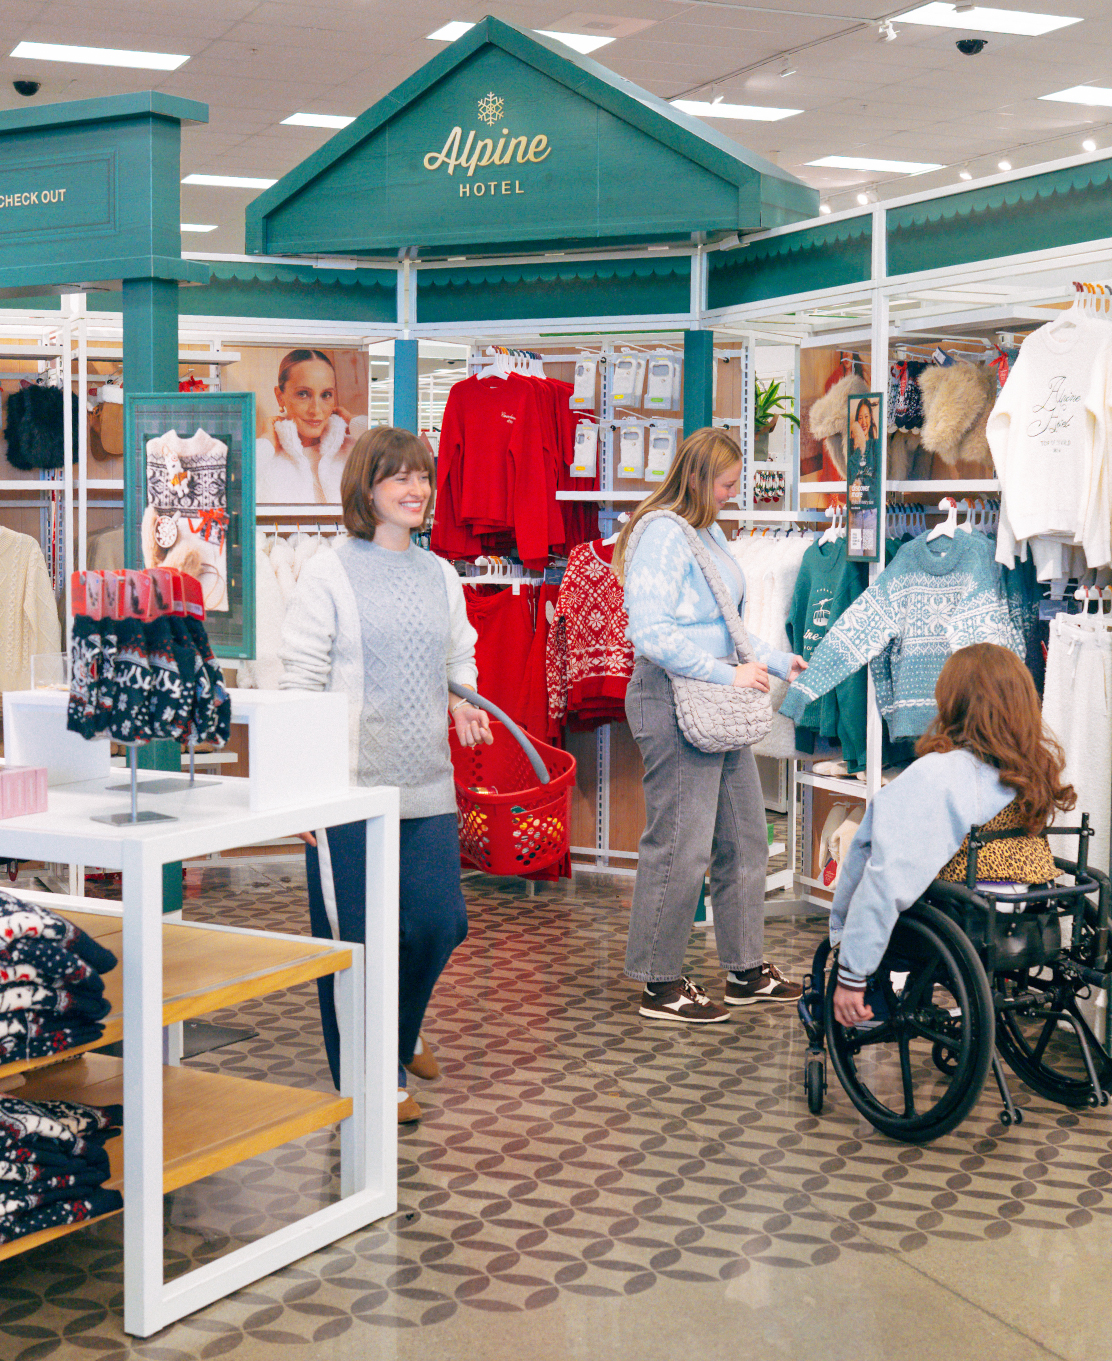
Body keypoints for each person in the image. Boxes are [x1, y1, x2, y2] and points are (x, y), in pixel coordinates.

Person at [279, 426, 492, 1123]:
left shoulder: (440, 574)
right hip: (348, 790)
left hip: (426, 782)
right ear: (366, 488)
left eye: (424, 477)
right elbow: (302, 683)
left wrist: (462, 700)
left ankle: (397, 1035)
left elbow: (459, 656)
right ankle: (366, 1081)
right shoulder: (328, 571)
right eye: (400, 477)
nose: (417, 490)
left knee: (440, 923)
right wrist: (302, 792)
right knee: (354, 946)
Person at [613, 427, 808, 1023]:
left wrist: (775, 661)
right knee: (681, 844)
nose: (731, 494)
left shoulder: (707, 532)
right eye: (725, 484)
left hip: (711, 704)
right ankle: (659, 981)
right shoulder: (661, 536)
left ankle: (746, 969)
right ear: (698, 478)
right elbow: (652, 634)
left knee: (747, 837)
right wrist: (731, 678)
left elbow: (724, 625)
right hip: (672, 699)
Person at [830, 643, 1076, 1027]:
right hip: (1023, 916)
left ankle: (859, 981)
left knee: (872, 856)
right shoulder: (1033, 769)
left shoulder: (940, 774)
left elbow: (888, 876)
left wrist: (850, 965)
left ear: (953, 702)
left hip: (957, 917)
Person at [256, 349, 368, 504]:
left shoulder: (355, 452)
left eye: (326, 395)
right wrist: (267, 442)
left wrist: (353, 421)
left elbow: (398, 449)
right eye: (303, 394)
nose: (316, 410)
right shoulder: (264, 456)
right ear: (280, 397)